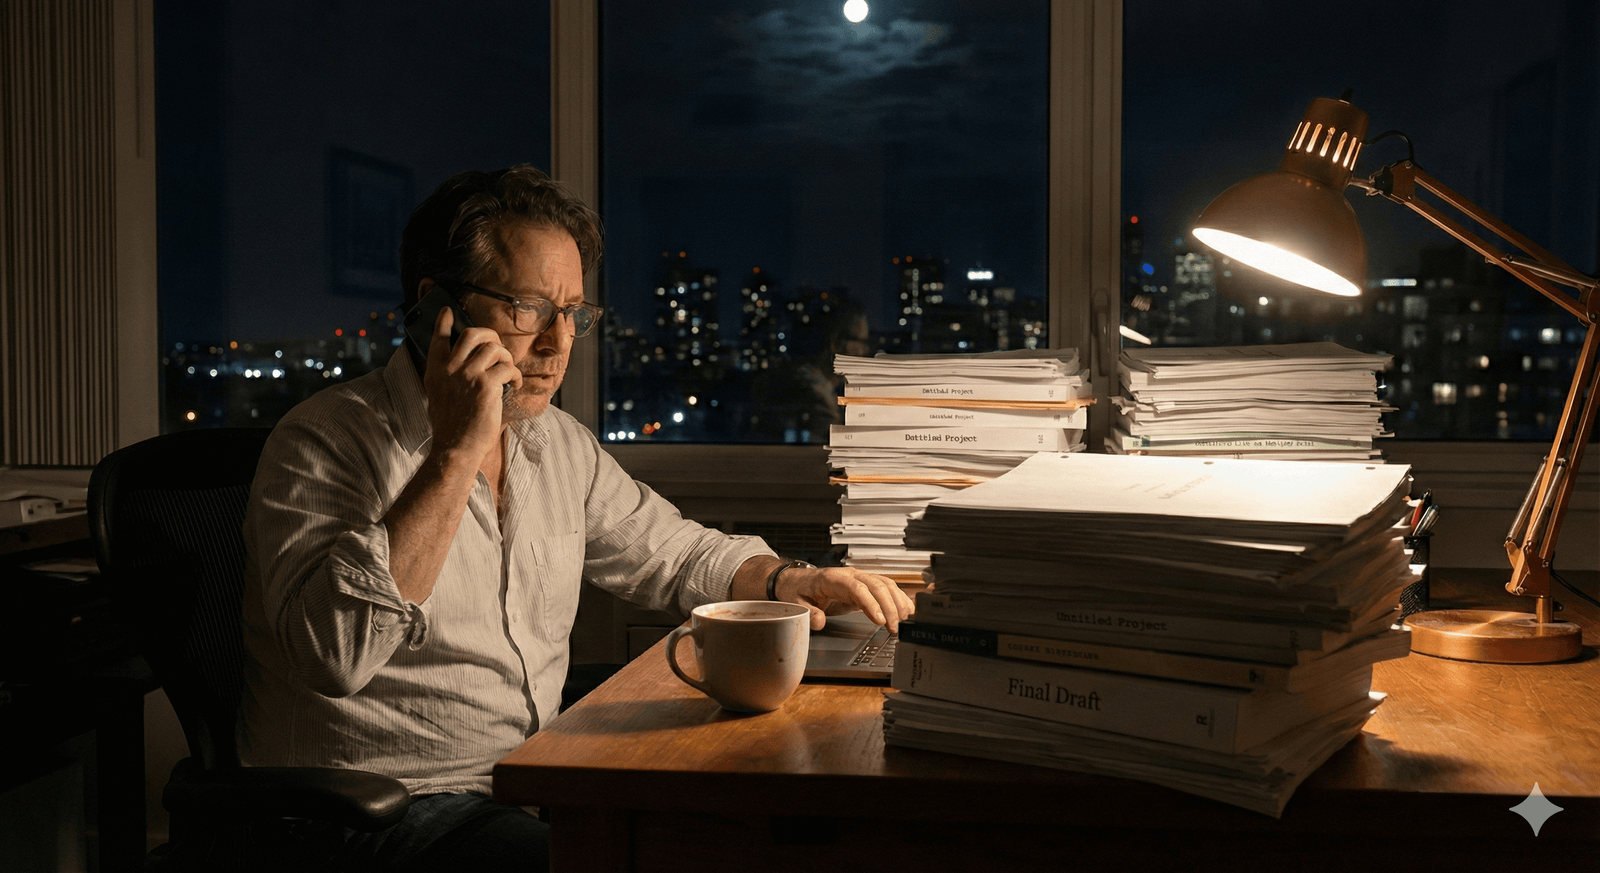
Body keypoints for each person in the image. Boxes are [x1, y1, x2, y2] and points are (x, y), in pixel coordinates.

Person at [237, 165, 913, 872]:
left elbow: (675, 553)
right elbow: (334, 653)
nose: (560, 342)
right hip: (370, 815)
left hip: (529, 781)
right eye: (529, 307)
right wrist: (456, 450)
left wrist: (791, 580)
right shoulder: (322, 441)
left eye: (575, 313)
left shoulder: (553, 444)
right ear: (437, 307)